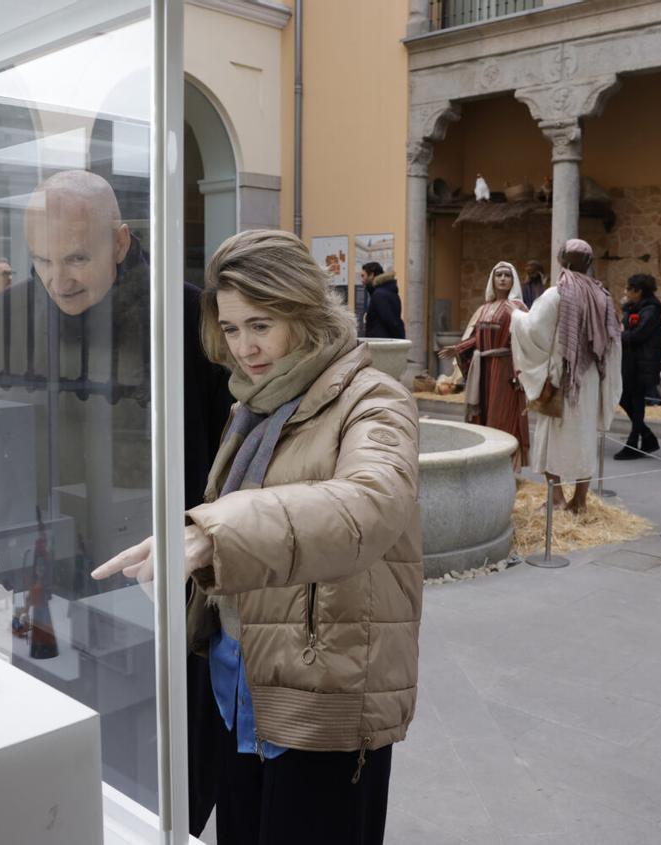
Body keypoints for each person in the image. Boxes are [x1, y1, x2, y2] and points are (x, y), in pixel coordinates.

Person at [92, 229, 422, 845]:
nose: (246, 347)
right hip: (239, 686)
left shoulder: (374, 399)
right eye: (233, 327)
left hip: (324, 696)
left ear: (304, 309)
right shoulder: (256, 404)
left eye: (262, 325)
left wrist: (215, 539)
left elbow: (372, 504)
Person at [0, 169, 231, 834]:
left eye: (77, 257)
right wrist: (23, 559)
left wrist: (203, 556)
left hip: (169, 596)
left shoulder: (191, 318)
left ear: (121, 240)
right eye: (42, 260)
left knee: (166, 781)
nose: (60, 279)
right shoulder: (2, 319)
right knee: (58, 765)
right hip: (46, 583)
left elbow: (233, 461)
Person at [511, 238, 622, 513]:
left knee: (550, 438)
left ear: (562, 261)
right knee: (585, 437)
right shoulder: (603, 296)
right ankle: (580, 501)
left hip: (563, 380)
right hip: (590, 379)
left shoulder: (556, 294)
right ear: (589, 263)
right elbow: (613, 342)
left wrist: (516, 316)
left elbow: (535, 330)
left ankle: (558, 498)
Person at [439, 260, 529, 469]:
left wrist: (520, 372)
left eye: (507, 275)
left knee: (502, 416)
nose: (503, 279)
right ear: (492, 280)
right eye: (499, 275)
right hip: (483, 370)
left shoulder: (517, 308)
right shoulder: (485, 308)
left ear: (513, 280)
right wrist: (459, 348)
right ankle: (485, 466)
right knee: (484, 415)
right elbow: (478, 338)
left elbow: (524, 340)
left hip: (505, 369)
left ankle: (504, 467)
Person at [615, 273, 661, 460]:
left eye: (629, 289)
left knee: (636, 400)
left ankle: (634, 442)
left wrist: (616, 336)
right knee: (623, 397)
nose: (625, 292)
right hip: (631, 362)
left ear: (639, 292)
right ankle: (647, 435)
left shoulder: (651, 310)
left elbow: (638, 335)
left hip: (642, 363)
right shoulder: (635, 307)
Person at [359, 261, 405, 339]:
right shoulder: (384, 291)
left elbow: (391, 322)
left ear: (372, 275)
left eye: (363, 276)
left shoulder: (380, 294)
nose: (362, 280)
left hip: (382, 345)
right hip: (383, 343)